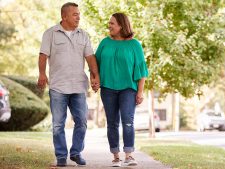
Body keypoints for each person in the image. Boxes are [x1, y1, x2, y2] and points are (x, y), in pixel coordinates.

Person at [37, 2, 100, 167]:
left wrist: (95, 75)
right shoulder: (50, 33)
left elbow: (90, 57)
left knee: (82, 121)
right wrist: (42, 73)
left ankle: (76, 152)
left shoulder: (83, 35)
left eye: (79, 14)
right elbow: (43, 55)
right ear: (64, 16)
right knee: (58, 124)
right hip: (58, 86)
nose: (78, 17)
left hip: (79, 86)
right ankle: (61, 156)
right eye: (75, 14)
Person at [95, 13, 148, 167]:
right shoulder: (105, 43)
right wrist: (95, 80)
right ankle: (116, 157)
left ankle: (129, 155)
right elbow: (95, 65)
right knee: (112, 123)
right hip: (108, 88)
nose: (109, 26)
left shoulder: (134, 45)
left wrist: (140, 92)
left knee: (128, 121)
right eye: (109, 23)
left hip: (128, 89)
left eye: (112, 23)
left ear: (121, 26)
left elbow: (141, 70)